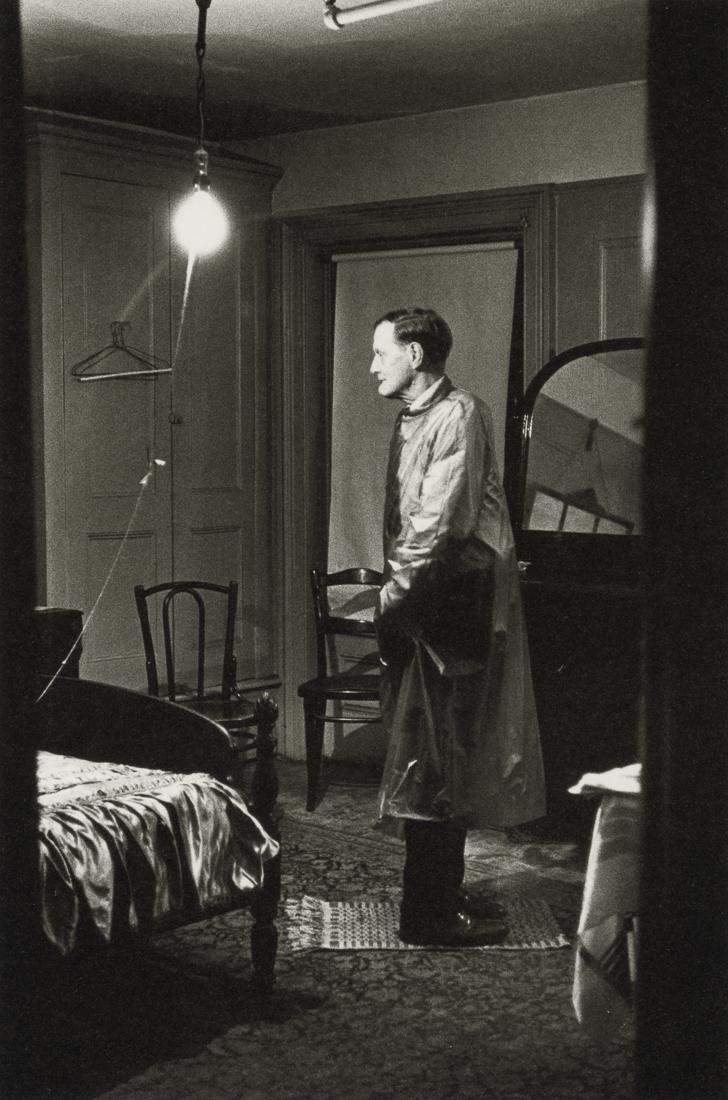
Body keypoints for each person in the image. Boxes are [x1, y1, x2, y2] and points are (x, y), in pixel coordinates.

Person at [370, 306, 545, 946]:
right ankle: (431, 909)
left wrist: (395, 606)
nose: (373, 366)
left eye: (381, 353)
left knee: (442, 762)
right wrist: (399, 605)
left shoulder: (460, 414)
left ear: (415, 356)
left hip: (448, 615)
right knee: (429, 763)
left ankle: (435, 909)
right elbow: (410, 526)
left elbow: (440, 528)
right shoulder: (416, 418)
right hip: (427, 612)